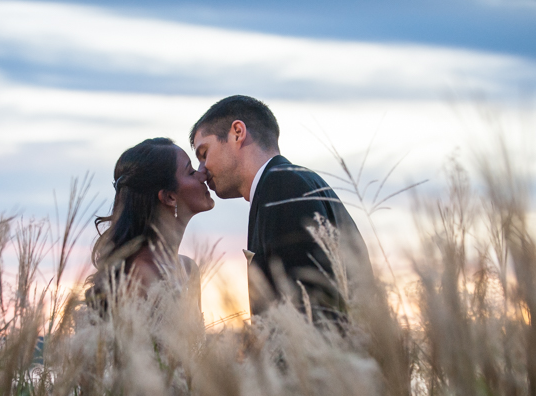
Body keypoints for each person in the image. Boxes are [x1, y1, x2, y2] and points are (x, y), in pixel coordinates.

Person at [190, 95, 372, 319]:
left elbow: (308, 308)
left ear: (237, 132)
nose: (202, 170)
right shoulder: (291, 182)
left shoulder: (282, 187)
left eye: (204, 153)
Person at [87, 138, 215, 311]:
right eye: (191, 172)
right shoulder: (140, 275)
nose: (203, 175)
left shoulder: (189, 269)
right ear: (169, 197)